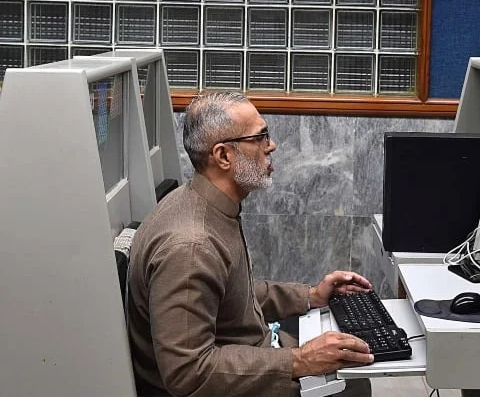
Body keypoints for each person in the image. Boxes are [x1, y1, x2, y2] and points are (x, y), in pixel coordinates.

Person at [127, 92, 374, 396]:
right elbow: (188, 373)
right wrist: (299, 360)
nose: (272, 145)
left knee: (348, 368)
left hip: (247, 354)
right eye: (259, 138)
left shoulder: (206, 205)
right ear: (223, 156)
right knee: (353, 387)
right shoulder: (191, 247)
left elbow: (231, 294)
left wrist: (310, 296)